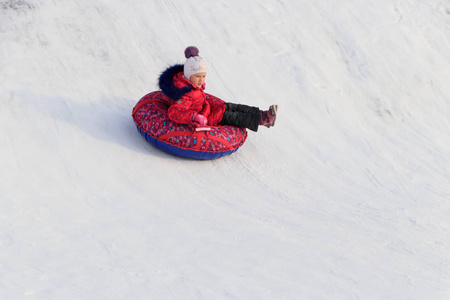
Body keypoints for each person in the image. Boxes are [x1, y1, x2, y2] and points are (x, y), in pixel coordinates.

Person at [158, 46, 278, 132]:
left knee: (232, 106)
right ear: (189, 76)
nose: (201, 80)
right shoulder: (185, 94)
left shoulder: (191, 86)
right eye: (198, 77)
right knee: (232, 116)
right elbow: (174, 112)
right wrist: (194, 117)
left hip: (206, 108)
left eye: (203, 76)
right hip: (205, 118)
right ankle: (263, 120)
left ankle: (264, 114)